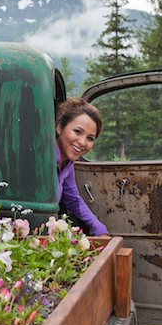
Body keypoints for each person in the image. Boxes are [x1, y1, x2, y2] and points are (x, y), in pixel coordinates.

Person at [56, 97, 109, 236]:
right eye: (77, 132)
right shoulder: (45, 159)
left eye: (90, 138)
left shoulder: (67, 163)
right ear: (60, 127)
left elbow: (73, 200)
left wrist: (98, 226)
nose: (82, 142)